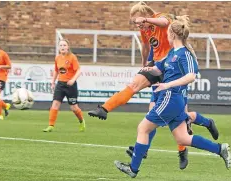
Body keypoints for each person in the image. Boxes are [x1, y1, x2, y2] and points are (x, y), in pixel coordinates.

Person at [89, 1, 218, 169]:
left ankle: (195, 136)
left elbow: (164, 23)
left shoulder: (159, 19)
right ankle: (108, 112)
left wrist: (147, 20)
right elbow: (148, 47)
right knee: (151, 111)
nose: (138, 25)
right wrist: (144, 65)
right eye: (135, 22)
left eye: (138, 20)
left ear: (145, 16)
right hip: (160, 68)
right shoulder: (146, 30)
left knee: (184, 118)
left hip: (173, 70)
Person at [113, 15, 231, 178]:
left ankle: (133, 169)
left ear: (173, 35)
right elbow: (159, 69)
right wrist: (146, 72)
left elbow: (191, 76)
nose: (166, 36)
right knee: (183, 139)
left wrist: (167, 85)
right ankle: (220, 149)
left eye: (168, 33)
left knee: (143, 128)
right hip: (171, 99)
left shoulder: (184, 54)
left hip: (171, 98)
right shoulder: (171, 53)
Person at [43, 39, 86, 132]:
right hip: (60, 84)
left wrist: (73, 80)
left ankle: (81, 121)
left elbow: (78, 70)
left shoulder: (72, 57)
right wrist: (53, 81)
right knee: (55, 104)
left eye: (64, 45)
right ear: (58, 48)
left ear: (68, 47)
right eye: (61, 45)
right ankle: (51, 125)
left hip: (71, 85)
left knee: (74, 107)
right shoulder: (57, 58)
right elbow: (56, 70)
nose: (62, 47)